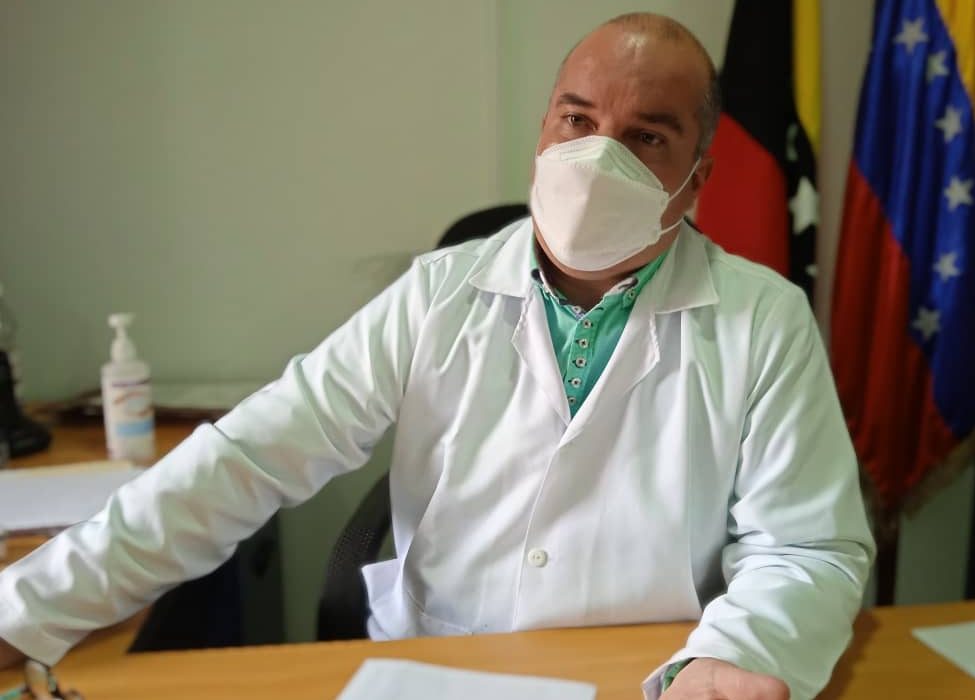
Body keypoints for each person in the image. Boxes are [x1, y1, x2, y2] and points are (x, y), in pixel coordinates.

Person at [0, 12, 874, 700]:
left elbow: (807, 546)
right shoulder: (436, 294)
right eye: (577, 119)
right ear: (543, 133)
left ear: (698, 177)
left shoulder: (765, 318)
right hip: (444, 672)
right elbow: (249, 458)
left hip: (651, 674)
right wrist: (25, 609)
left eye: (647, 136)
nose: (598, 156)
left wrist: (737, 656)